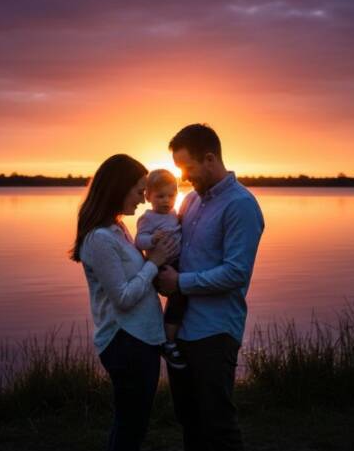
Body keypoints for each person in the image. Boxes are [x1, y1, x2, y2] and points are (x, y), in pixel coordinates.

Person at [158, 123, 264, 451]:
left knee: (217, 425)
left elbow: (236, 273)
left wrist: (180, 282)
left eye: (187, 167)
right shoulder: (189, 201)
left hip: (215, 331)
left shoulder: (241, 205)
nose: (183, 176)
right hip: (181, 330)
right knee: (189, 420)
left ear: (209, 158)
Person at [70, 154, 180, 451]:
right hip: (125, 341)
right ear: (119, 188)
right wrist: (153, 263)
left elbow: (136, 281)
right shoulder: (100, 239)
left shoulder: (118, 229)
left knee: (134, 424)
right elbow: (122, 298)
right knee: (130, 426)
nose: (144, 200)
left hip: (141, 339)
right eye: (139, 191)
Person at [134, 168, 187, 370]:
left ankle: (172, 333)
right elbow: (139, 241)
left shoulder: (174, 214)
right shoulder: (148, 218)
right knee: (178, 296)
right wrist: (152, 239)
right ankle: (168, 341)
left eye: (171, 196)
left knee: (183, 295)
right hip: (160, 266)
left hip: (177, 262)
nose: (166, 201)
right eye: (160, 196)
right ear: (148, 196)